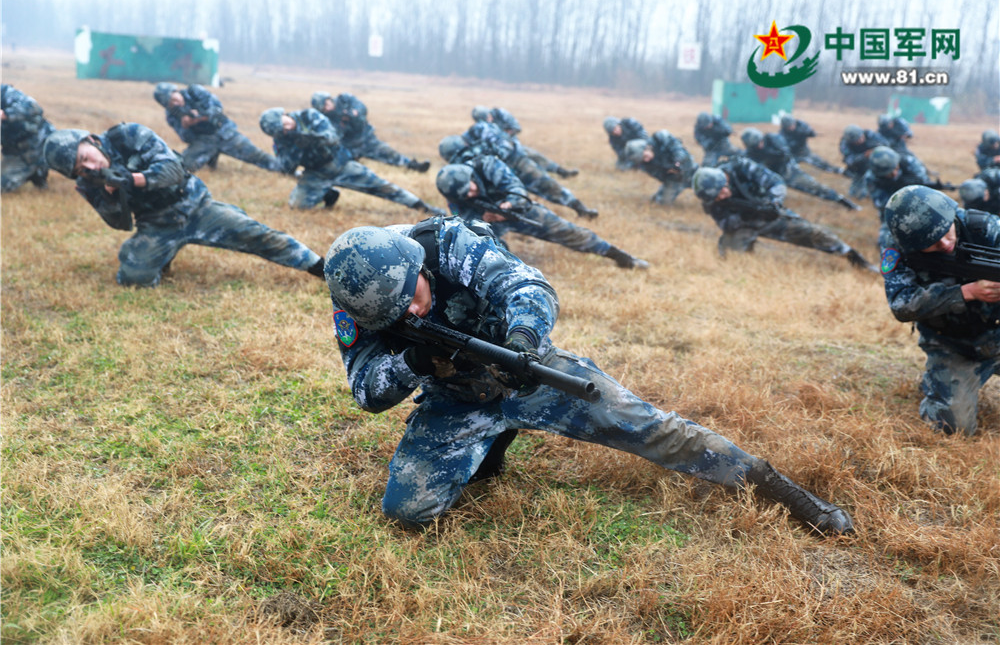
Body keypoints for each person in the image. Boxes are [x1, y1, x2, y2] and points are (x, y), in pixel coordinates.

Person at [321, 217, 855, 535]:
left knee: (653, 428)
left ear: (417, 266)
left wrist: (521, 343)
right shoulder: (358, 298)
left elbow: (528, 288)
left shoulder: (446, 243)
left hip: (531, 370)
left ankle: (784, 492)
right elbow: (366, 391)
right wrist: (413, 362)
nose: (412, 314)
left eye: (414, 298)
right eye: (397, 316)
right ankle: (491, 436)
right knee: (408, 512)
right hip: (457, 397)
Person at [42, 125, 326, 287]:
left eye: (86, 157)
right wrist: (111, 196)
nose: (90, 167)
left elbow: (173, 170)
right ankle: (163, 252)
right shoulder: (88, 183)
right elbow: (119, 223)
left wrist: (132, 180)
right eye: (80, 169)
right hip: (157, 225)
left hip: (196, 207)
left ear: (91, 140)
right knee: (133, 279)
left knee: (258, 235)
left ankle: (321, 267)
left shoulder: (127, 135)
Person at [880, 185, 1000, 435]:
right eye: (931, 243)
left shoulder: (986, 228)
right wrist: (966, 292)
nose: (945, 244)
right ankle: (938, 384)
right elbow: (901, 305)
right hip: (951, 344)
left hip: (996, 333)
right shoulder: (898, 249)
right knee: (954, 428)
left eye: (946, 233)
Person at [435, 156, 649, 268]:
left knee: (567, 231)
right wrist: (482, 219)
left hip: (518, 209)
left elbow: (517, 189)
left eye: (471, 188)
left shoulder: (487, 164)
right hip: (489, 221)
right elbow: (463, 220)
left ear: (471, 176)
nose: (471, 194)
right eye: (465, 195)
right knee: (487, 249)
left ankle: (620, 256)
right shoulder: (454, 193)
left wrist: (509, 206)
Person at [691, 161, 876, 271]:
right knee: (731, 257)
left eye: (721, 193)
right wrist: (744, 216)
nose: (720, 198)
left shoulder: (741, 168)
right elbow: (725, 224)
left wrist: (774, 203)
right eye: (716, 198)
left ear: (723, 180)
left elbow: (776, 182)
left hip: (771, 213)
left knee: (816, 234)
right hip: (744, 225)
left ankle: (856, 259)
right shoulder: (709, 197)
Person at [259, 107, 444, 215]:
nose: (287, 129)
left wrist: (310, 139)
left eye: (285, 124)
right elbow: (285, 167)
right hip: (315, 173)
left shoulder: (309, 116)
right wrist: (295, 149)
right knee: (297, 206)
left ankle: (424, 207)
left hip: (341, 164)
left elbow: (332, 137)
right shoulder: (281, 140)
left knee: (384, 187)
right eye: (282, 130)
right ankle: (328, 194)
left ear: (284, 114)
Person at [446, 123, 599, 219]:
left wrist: (499, 154)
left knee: (549, 186)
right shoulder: (463, 166)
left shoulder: (480, 132)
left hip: (517, 164)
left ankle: (581, 209)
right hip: (498, 182)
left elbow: (504, 142)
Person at [153, 82, 280, 173]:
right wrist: (186, 126)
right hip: (204, 141)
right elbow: (187, 139)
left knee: (258, 156)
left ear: (176, 91)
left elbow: (217, 109)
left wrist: (199, 117)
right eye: (171, 103)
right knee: (182, 167)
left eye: (174, 99)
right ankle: (210, 158)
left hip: (225, 133)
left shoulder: (194, 92)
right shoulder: (172, 115)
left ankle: (284, 168)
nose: (175, 103)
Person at [740, 128, 860, 211]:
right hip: (771, 176)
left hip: (787, 170)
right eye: (755, 146)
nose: (759, 146)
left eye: (760, 142)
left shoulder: (773, 139)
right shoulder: (750, 153)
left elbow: (784, 154)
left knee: (814, 186)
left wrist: (766, 155)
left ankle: (843, 201)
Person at [310, 91, 430, 172]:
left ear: (329, 99)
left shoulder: (344, 99)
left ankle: (413, 165)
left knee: (388, 153)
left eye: (326, 103)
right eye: (324, 108)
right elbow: (335, 135)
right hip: (349, 146)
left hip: (365, 138)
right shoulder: (327, 120)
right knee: (343, 168)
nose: (327, 108)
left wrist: (353, 114)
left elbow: (361, 107)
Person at [488, 106, 579, 179]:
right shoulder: (485, 126)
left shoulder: (501, 115)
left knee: (534, 156)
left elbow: (516, 128)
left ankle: (560, 171)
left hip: (511, 152)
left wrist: (506, 136)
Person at [1, 84, 55, 192]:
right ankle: (36, 173)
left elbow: (33, 108)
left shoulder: (5, 94)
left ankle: (38, 169)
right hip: (14, 151)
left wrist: (4, 114)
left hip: (41, 145)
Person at [623, 130, 696, 205]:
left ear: (646, 147)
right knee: (663, 203)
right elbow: (662, 177)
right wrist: (671, 174)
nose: (646, 160)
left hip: (688, 167)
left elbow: (679, 150)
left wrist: (677, 164)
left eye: (645, 156)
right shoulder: (646, 164)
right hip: (674, 178)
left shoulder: (661, 138)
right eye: (643, 160)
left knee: (701, 184)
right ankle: (661, 194)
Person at [778, 114, 844, 174]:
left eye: (792, 125)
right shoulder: (782, 135)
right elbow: (785, 148)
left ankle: (836, 169)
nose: (791, 127)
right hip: (793, 155)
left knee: (818, 161)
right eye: (789, 126)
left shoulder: (800, 125)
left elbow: (812, 133)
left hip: (804, 151)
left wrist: (806, 132)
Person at [840, 124, 890, 200]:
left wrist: (876, 149)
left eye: (861, 137)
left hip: (877, 163)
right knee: (857, 195)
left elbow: (886, 144)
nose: (860, 140)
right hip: (860, 168)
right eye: (857, 141)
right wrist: (864, 155)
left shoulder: (870, 134)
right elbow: (850, 160)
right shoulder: (844, 144)